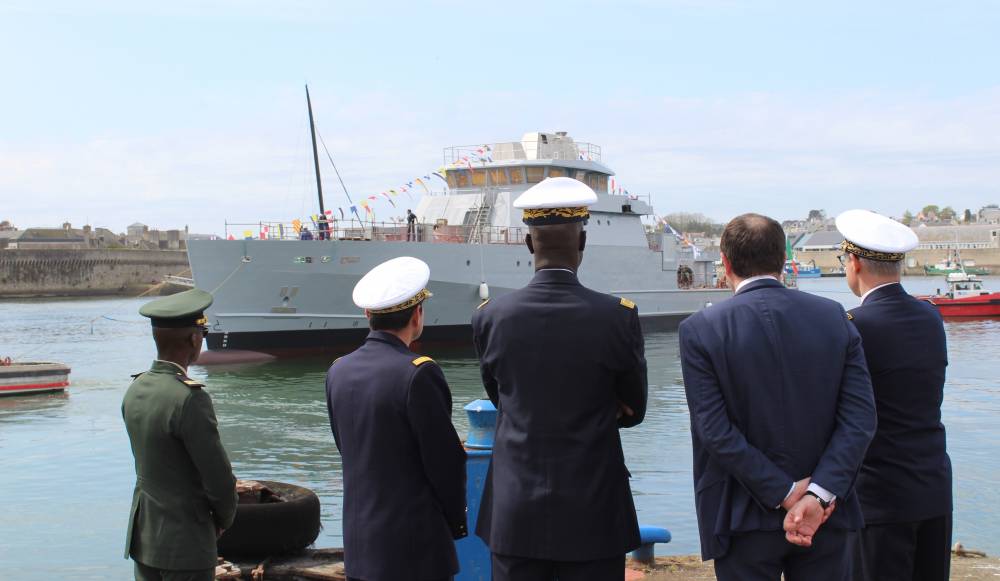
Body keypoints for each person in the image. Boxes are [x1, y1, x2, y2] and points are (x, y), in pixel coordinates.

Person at [678, 213, 877, 581]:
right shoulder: (833, 316)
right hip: (826, 517)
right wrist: (817, 496)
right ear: (783, 260)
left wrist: (785, 492)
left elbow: (714, 429)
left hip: (741, 513)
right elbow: (860, 419)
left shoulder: (701, 330)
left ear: (725, 261)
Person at [472, 177, 648, 581]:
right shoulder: (616, 317)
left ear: (529, 244)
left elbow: (501, 398)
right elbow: (635, 410)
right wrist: (604, 409)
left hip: (515, 512)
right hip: (593, 510)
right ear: (582, 242)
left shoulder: (490, 317)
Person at [325, 256, 468, 581]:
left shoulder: (338, 370)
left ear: (367, 314)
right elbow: (444, 463)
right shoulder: (419, 373)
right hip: (413, 552)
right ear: (417, 315)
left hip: (361, 549)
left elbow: (347, 447)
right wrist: (456, 524)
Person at [835, 209, 952, 581]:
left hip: (880, 497)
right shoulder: (930, 317)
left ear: (854, 262)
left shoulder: (854, 326)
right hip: (933, 487)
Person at [122, 288, 237, 581]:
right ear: (193, 339)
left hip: (145, 538)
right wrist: (223, 518)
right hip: (185, 542)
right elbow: (218, 477)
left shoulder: (136, 389)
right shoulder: (189, 398)